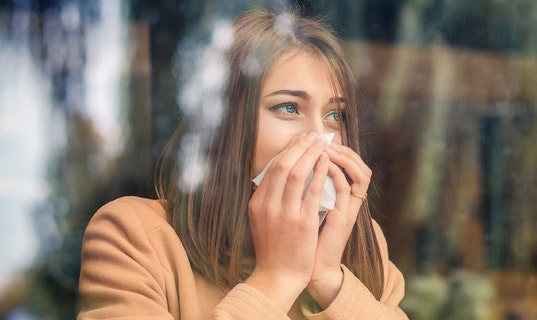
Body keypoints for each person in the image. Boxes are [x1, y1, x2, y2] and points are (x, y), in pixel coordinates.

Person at [78, 9, 408, 319]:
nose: (320, 139)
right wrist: (278, 277)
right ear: (226, 126)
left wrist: (328, 277)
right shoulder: (134, 238)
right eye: (289, 108)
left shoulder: (365, 246)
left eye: (334, 115)